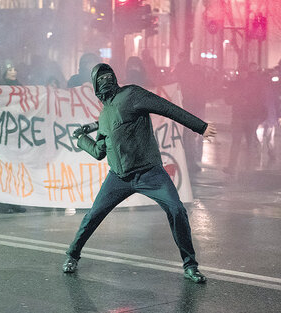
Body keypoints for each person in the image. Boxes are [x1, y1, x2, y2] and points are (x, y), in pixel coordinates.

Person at [62, 63, 216, 283]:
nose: (106, 81)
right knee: (93, 216)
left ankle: (190, 265)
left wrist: (199, 127)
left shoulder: (132, 94)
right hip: (119, 177)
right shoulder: (104, 116)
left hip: (150, 173)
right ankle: (72, 255)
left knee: (176, 210)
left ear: (115, 78)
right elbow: (98, 152)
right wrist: (81, 139)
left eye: (108, 77)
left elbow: (166, 107)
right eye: (101, 79)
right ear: (95, 86)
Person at [223, 66, 266, 175]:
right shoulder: (254, 85)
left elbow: (228, 100)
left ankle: (236, 166)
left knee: (240, 143)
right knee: (246, 143)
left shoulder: (236, 84)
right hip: (246, 117)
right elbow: (260, 101)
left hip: (244, 117)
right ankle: (245, 167)